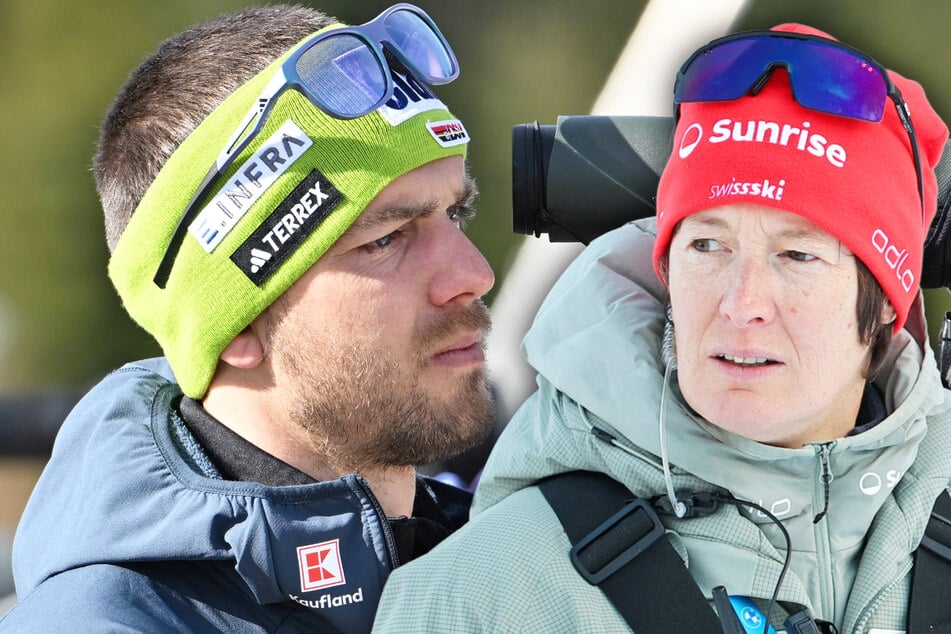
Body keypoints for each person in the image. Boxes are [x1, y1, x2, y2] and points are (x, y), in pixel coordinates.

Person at [373, 23, 950, 633]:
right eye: (707, 244)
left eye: (797, 255)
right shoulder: (490, 592)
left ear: (887, 300)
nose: (741, 303)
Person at [0, 3, 494, 632]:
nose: (474, 275)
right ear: (236, 326)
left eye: (456, 214)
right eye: (386, 238)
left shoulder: (507, 557)